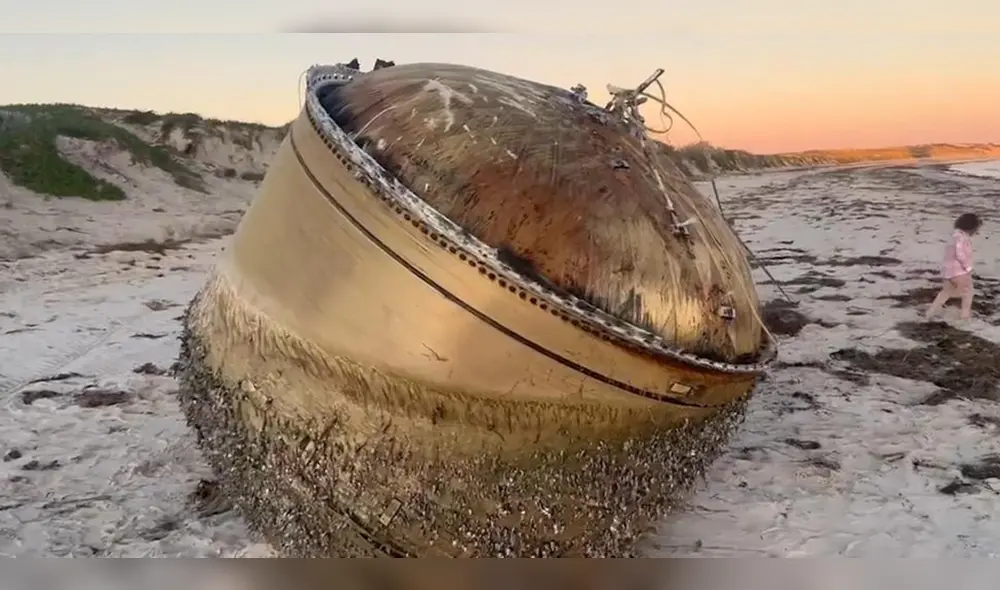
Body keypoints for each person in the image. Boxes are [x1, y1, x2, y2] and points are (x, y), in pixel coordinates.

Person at [925, 213, 982, 321]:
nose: (976, 232)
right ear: (970, 227)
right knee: (968, 292)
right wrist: (968, 267)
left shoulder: (953, 236)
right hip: (959, 271)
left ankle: (930, 313)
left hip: (948, 272)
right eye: (976, 229)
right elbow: (960, 254)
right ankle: (965, 315)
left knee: (945, 292)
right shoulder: (962, 238)